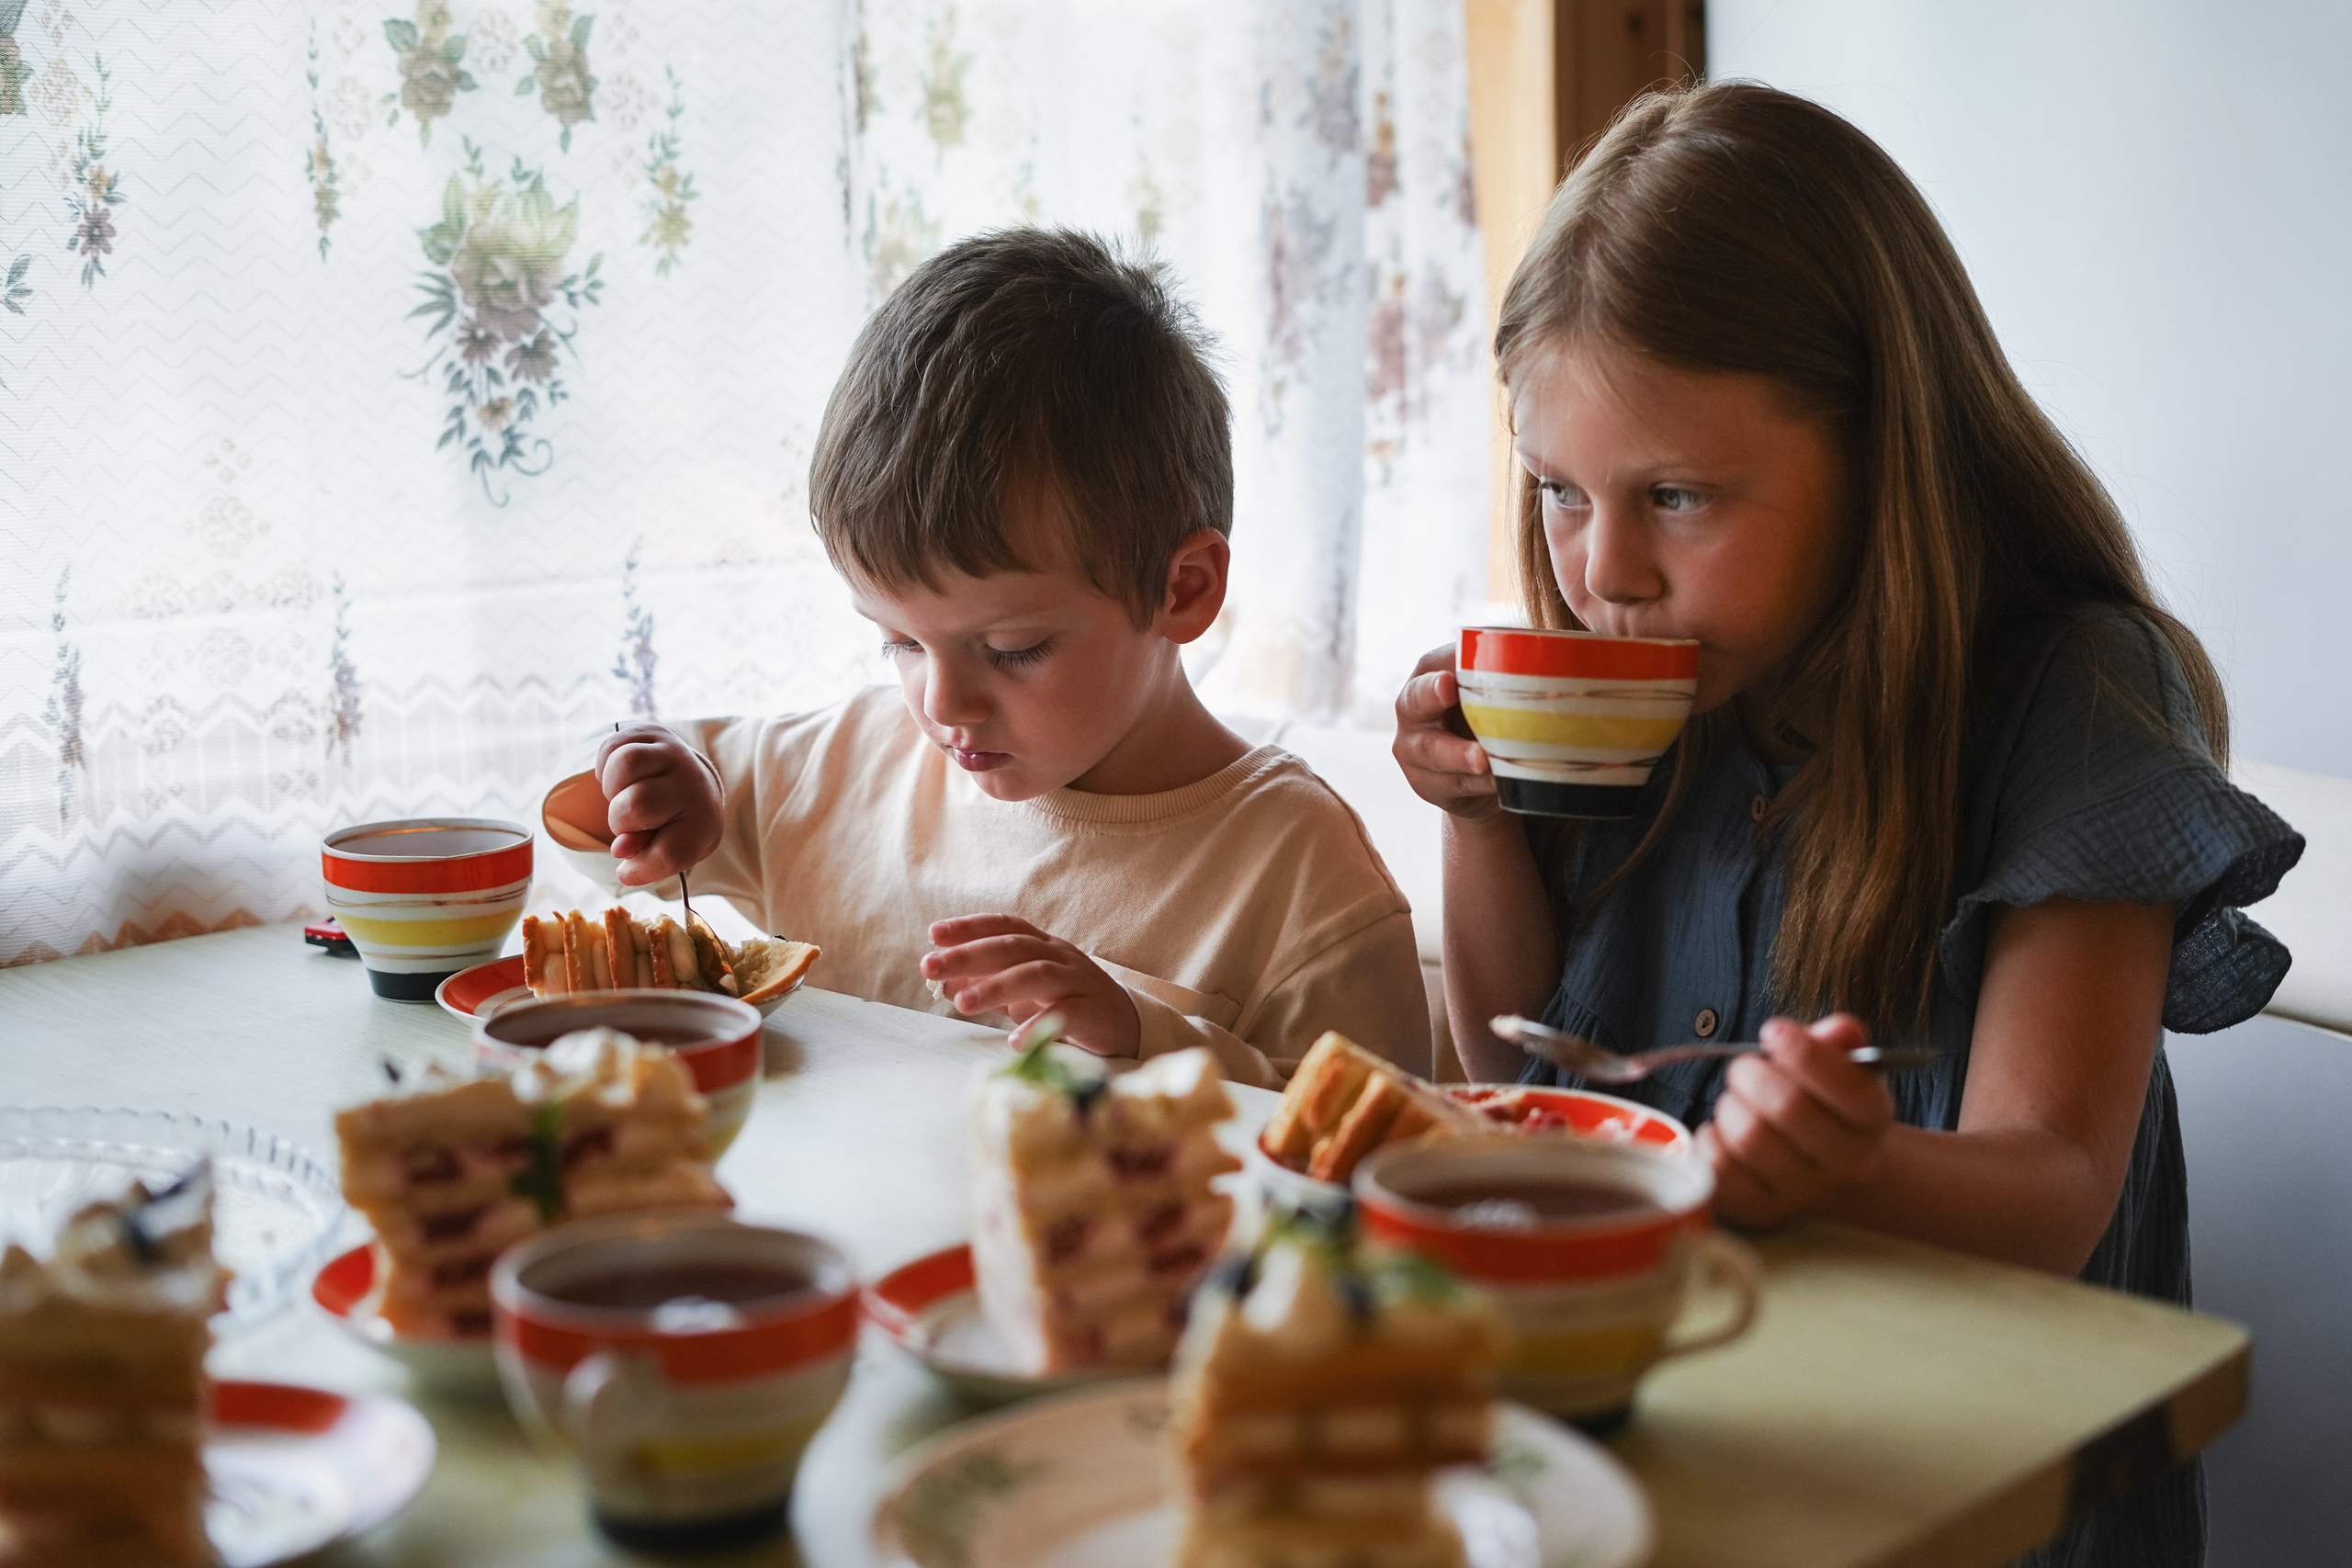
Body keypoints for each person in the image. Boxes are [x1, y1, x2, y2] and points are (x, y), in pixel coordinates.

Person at [1392, 84, 2300, 1568]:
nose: (1603, 570)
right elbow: (1509, 1071)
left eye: (1677, 495)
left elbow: (2059, 1185)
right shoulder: (1650, 689)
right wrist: (1476, 815)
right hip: (1688, 1439)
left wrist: (1851, 1167)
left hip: (1966, 1492)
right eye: (1559, 490)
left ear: (1884, 451)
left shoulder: (2069, 692)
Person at [548, 228, 1428, 1089]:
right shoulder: (837, 768)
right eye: (898, 640)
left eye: (1012, 650)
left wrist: (1141, 1036)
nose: (942, 703)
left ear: (1183, 589)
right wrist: (655, 785)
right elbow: (584, 826)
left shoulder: (1299, 873)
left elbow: (1381, 1155)